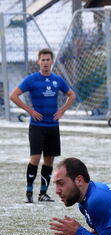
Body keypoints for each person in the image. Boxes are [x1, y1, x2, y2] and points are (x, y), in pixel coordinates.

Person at [9, 48, 76, 204]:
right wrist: (30, 111)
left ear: (52, 62)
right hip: (37, 126)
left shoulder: (57, 80)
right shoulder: (32, 79)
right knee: (35, 158)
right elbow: (13, 95)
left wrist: (62, 111)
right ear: (38, 62)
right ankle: (29, 192)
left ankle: (43, 193)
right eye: (43, 60)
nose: (45, 63)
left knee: (49, 160)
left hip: (52, 126)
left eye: (48, 60)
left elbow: (71, 95)